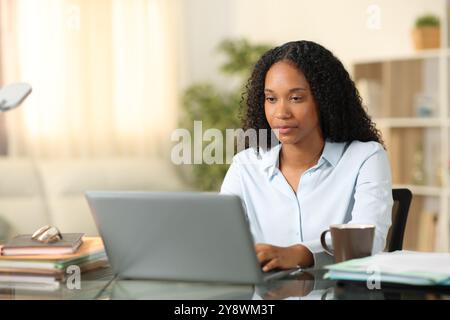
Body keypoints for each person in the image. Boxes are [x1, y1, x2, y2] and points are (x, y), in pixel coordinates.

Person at [220, 40, 393, 270]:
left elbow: (367, 241)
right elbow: (219, 238)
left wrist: (299, 254)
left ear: (324, 100)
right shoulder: (245, 165)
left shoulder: (365, 157)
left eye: (296, 98)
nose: (281, 112)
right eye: (271, 99)